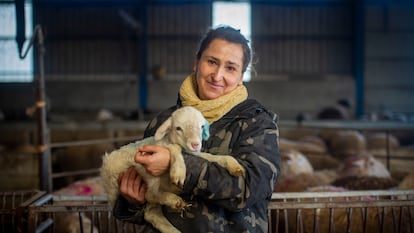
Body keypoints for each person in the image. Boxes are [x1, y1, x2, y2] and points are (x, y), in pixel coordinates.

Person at [113, 25, 280, 233]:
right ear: (196, 63)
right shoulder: (165, 122)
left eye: (230, 68)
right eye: (212, 62)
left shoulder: (256, 123)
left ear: (240, 76)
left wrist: (177, 164)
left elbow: (248, 189)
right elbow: (147, 207)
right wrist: (133, 202)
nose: (217, 75)